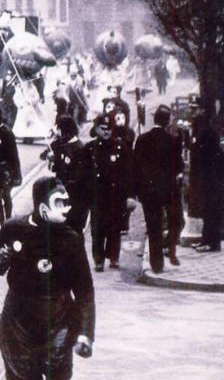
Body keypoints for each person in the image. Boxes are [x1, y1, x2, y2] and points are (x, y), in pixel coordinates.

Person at [0, 176, 95, 380]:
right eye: (59, 203)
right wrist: (1, 259)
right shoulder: (13, 229)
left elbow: (85, 291)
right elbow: (0, 258)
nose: (66, 208)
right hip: (19, 325)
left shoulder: (72, 240)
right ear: (41, 208)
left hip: (59, 325)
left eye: (66, 202)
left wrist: (86, 332)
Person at [133, 104, 184, 273]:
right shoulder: (172, 141)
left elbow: (136, 167)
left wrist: (137, 191)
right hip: (168, 190)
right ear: (167, 121)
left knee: (153, 226)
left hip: (148, 191)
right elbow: (179, 166)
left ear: (154, 120)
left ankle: (157, 264)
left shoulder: (142, 139)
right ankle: (170, 249)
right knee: (174, 220)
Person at [87, 114, 133, 271]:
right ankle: (98, 260)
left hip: (116, 195)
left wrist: (130, 196)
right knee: (97, 229)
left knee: (114, 228)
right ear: (96, 129)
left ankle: (114, 257)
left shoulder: (121, 147)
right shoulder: (90, 149)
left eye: (109, 129)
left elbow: (129, 173)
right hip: (97, 196)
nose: (106, 132)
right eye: (102, 129)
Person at [43, 115, 92, 232]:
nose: (58, 134)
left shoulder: (81, 149)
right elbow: (54, 169)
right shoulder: (61, 146)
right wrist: (51, 159)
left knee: (75, 233)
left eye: (59, 130)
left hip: (76, 200)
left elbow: (80, 178)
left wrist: (63, 186)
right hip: (62, 198)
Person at [191, 113, 223, 253]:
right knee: (209, 211)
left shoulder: (206, 136)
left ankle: (211, 242)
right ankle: (207, 240)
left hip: (211, 179)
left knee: (210, 211)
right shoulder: (210, 134)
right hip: (211, 179)